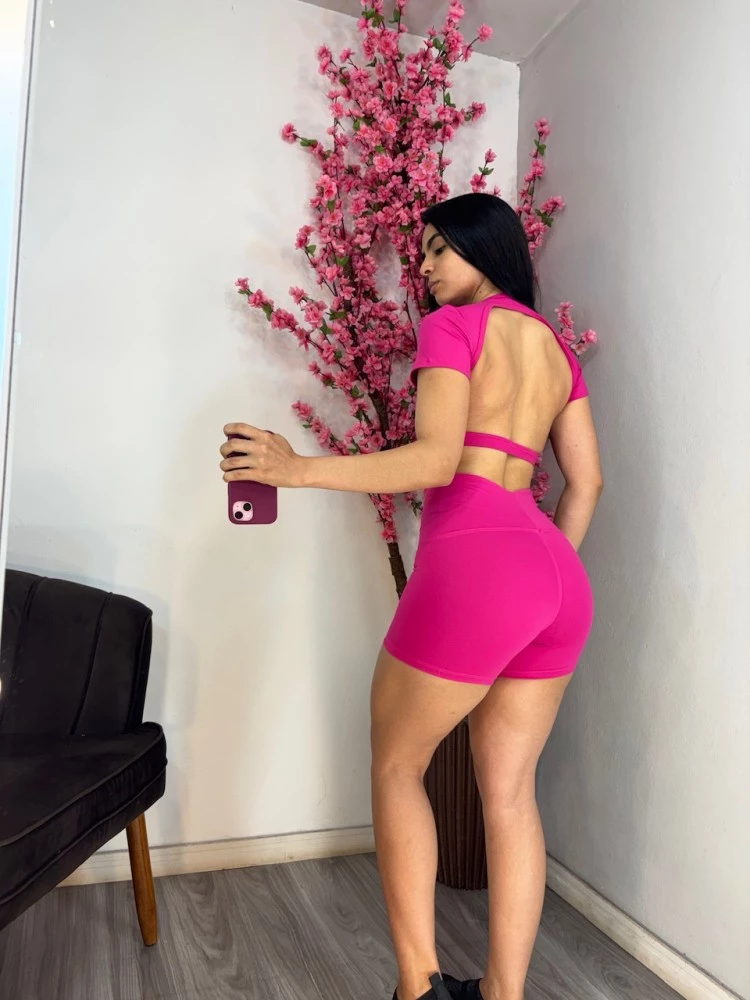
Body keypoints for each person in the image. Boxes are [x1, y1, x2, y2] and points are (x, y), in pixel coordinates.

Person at [219, 192, 604, 1000]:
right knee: (511, 796)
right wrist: (537, 578)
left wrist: (297, 470)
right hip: (555, 576)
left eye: (437, 249)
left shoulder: (453, 327)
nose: (422, 268)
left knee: (398, 764)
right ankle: (503, 994)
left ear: (485, 248)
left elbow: (435, 461)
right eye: (420, 252)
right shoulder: (554, 349)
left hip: (479, 558)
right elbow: (588, 482)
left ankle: (417, 988)